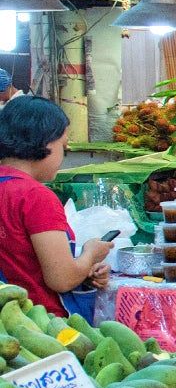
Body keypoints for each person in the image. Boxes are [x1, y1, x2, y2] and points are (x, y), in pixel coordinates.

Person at [0, 98, 113, 318]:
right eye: (64, 146)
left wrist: (85, 271)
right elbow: (62, 279)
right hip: (40, 323)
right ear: (46, 143)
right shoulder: (35, 197)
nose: (65, 153)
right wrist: (91, 254)